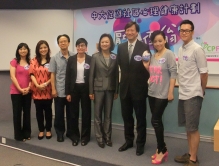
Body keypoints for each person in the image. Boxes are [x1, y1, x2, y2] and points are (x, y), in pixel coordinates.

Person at [174, 20, 208, 166]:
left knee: (193, 128)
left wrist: (202, 90)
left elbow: (204, 73)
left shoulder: (197, 49)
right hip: (183, 93)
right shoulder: (181, 49)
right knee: (188, 127)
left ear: (193, 32)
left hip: (193, 94)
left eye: (187, 30)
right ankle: (190, 154)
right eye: (182, 30)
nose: (184, 33)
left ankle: (193, 160)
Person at [143, 30, 177, 164]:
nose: (157, 43)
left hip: (163, 93)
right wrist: (146, 66)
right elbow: (153, 74)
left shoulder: (169, 54)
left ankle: (162, 149)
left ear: (165, 40)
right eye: (155, 41)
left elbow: (174, 74)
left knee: (155, 120)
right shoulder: (153, 55)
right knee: (157, 121)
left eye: (160, 40)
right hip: (152, 92)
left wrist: (171, 92)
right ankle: (161, 148)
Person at [117, 21, 150, 156]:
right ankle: (129, 140)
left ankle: (140, 144)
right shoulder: (121, 47)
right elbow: (120, 65)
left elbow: (147, 67)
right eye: (127, 30)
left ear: (137, 32)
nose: (129, 32)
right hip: (124, 88)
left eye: (132, 30)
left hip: (139, 88)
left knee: (140, 118)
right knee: (127, 117)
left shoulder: (144, 46)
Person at [89, 33, 119, 148]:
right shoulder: (95, 56)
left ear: (110, 43)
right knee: (97, 115)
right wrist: (90, 91)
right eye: (102, 42)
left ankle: (107, 137)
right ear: (100, 44)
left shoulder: (114, 57)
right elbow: (91, 75)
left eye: (107, 42)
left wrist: (116, 90)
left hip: (110, 89)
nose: (105, 44)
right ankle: (99, 137)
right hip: (98, 89)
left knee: (108, 115)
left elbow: (116, 74)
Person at [65, 38, 91, 146]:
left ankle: (85, 137)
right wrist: (68, 93)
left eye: (82, 45)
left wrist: (91, 91)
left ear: (86, 47)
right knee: (73, 114)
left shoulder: (90, 59)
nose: (80, 47)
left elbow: (92, 76)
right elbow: (68, 77)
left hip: (86, 89)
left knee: (86, 113)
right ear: (76, 47)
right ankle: (74, 136)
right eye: (78, 46)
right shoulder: (71, 59)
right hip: (74, 89)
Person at [49, 34, 74, 142]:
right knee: (59, 114)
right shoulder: (54, 58)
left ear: (69, 43)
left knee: (71, 113)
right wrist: (53, 89)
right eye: (60, 41)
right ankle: (60, 133)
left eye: (65, 41)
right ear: (58, 44)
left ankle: (70, 132)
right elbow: (52, 74)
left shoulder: (74, 56)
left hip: (72, 90)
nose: (63, 43)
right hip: (59, 90)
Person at [29, 40, 53, 140]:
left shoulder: (52, 60)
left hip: (48, 91)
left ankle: (48, 130)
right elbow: (31, 74)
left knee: (48, 111)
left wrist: (46, 83)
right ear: (38, 50)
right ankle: (41, 130)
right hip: (37, 91)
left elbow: (53, 75)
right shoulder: (33, 60)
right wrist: (37, 85)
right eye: (41, 48)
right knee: (39, 112)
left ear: (48, 48)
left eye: (45, 47)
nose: (43, 49)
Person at [10, 43, 32, 142]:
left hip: (28, 91)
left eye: (25, 49)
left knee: (27, 113)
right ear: (18, 50)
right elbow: (12, 76)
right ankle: (18, 135)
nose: (23, 51)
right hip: (16, 92)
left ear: (28, 50)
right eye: (21, 49)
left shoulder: (31, 62)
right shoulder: (14, 61)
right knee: (17, 113)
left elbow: (32, 76)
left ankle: (27, 133)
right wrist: (20, 89)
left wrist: (29, 87)